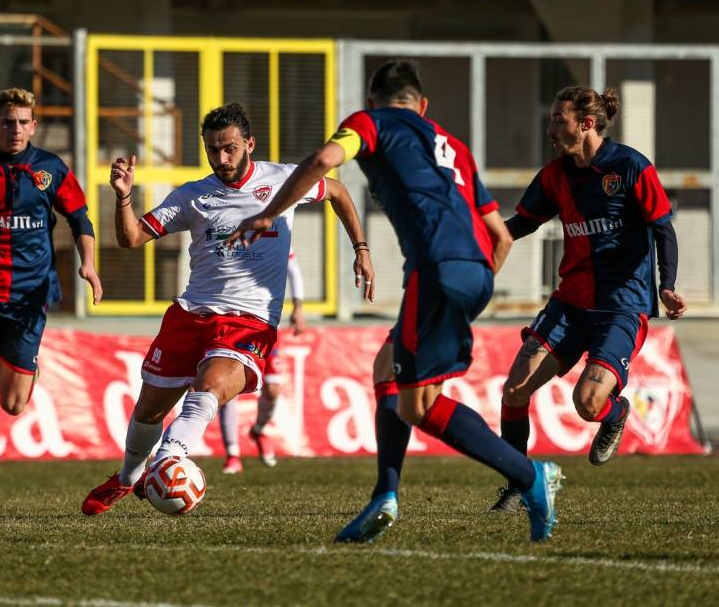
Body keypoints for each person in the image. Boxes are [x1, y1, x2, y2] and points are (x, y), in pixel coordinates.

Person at [227, 59, 563, 543]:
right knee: (390, 372)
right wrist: (470, 282)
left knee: (415, 406)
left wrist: (267, 213)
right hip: (477, 271)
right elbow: (500, 235)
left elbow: (325, 160)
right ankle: (384, 495)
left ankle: (530, 477)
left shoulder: (369, 124)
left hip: (436, 270)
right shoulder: (453, 146)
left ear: (371, 103)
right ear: (422, 105)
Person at [81, 102, 375, 515]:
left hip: (250, 320)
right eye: (213, 150)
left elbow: (340, 192)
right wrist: (124, 197)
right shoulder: (192, 196)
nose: (221, 158)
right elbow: (131, 238)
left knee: (213, 385)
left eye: (230, 148)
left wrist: (361, 249)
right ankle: (128, 477)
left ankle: (167, 462)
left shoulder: (282, 179)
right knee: (149, 409)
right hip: (191, 314)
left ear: (249, 144)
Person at [489, 86, 686, 513]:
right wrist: (478, 237)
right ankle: (520, 485)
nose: (551, 128)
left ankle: (615, 414)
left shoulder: (630, 166)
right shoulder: (554, 175)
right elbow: (521, 223)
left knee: (587, 404)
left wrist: (666, 284)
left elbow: (663, 228)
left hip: (622, 307)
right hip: (570, 304)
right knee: (515, 388)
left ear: (587, 124)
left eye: (559, 120)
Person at [0, 87, 103, 506]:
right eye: (7, 122)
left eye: (22, 122)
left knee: (14, 404)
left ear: (33, 126)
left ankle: (25, 368)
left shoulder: (50, 168)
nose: (15, 129)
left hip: (29, 298)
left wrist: (88, 264)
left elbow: (80, 219)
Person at [217, 250, 305, 474]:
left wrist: (298, 307)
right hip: (230, 320)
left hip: (264, 324)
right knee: (226, 384)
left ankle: (258, 430)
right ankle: (232, 455)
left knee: (273, 389)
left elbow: (293, 269)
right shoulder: (229, 226)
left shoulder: (275, 227)